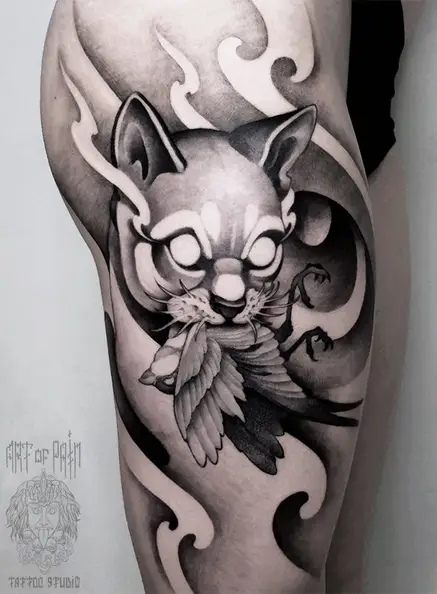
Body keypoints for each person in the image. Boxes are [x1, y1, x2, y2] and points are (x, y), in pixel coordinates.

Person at [40, 1, 417, 591]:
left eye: (263, 252)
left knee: (337, 577)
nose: (234, 293)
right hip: (206, 19)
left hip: (352, 41)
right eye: (188, 251)